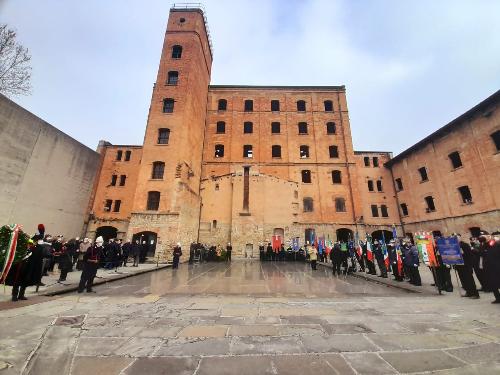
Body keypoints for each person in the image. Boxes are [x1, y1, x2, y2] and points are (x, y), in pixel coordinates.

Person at [6, 236, 45, 301]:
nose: (32, 243)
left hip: (29, 267)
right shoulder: (21, 247)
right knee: (16, 282)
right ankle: (14, 296)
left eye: (34, 241)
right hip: (19, 267)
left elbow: (38, 258)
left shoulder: (38, 248)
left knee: (25, 282)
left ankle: (21, 295)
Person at [455, 234, 479, 298]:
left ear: (460, 238)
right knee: (463, 280)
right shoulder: (454, 246)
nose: (456, 239)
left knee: (469, 280)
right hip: (459, 266)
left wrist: (463, 253)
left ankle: (475, 294)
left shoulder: (465, 245)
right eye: (455, 238)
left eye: (457, 238)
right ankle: (468, 292)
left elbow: (469, 255)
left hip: (466, 265)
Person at [482, 233, 500, 303]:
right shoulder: (489, 244)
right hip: (490, 268)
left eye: (498, 236)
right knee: (493, 284)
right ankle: (498, 298)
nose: (496, 237)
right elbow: (482, 253)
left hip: (498, 266)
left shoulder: (497, 244)